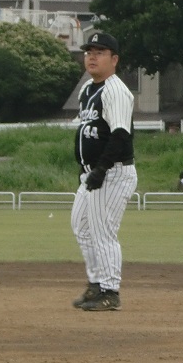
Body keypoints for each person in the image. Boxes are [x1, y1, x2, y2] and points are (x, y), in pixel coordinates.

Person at [70, 32, 138, 311]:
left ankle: (111, 292)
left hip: (112, 173)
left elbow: (120, 135)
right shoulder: (88, 89)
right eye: (89, 52)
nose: (92, 57)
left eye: (100, 52)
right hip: (92, 174)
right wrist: (87, 169)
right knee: (81, 226)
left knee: (103, 233)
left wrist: (100, 169)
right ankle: (96, 284)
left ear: (114, 59)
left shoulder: (115, 90)